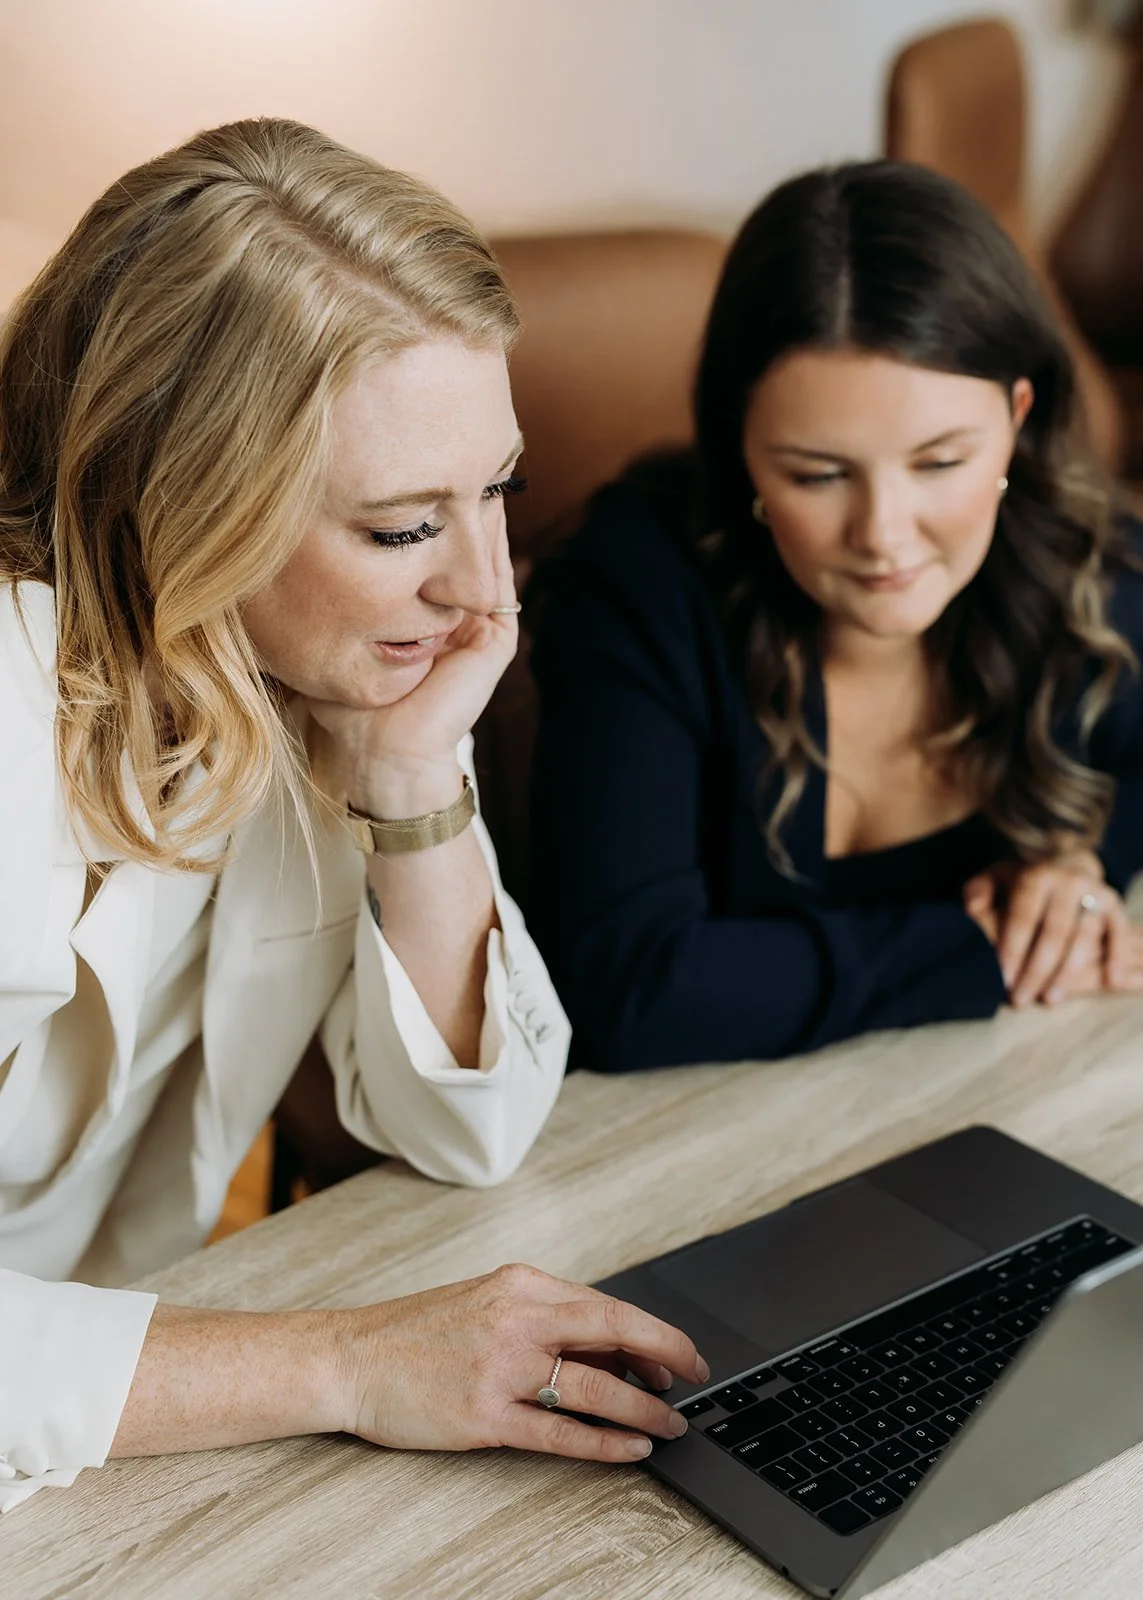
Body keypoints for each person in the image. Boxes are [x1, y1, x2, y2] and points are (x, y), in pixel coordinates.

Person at [0, 119, 707, 1511]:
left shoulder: (281, 675)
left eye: (495, 489)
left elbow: (471, 1127)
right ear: (179, 497)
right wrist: (345, 1362)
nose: (485, 595)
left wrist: (408, 780)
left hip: (110, 1449)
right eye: (399, 529)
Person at [528, 159, 1143, 1075]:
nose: (883, 536)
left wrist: (1072, 878)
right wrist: (977, 947)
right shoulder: (637, 587)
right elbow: (629, 989)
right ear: (740, 448)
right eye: (817, 474)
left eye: (939, 463)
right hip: (671, 1147)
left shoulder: (1094, 565)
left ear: (1016, 418)